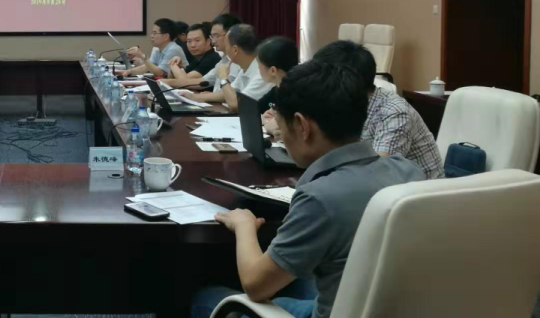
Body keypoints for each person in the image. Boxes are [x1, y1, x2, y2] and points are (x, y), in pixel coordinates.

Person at [190, 61, 424, 318]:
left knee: (205, 298)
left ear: (301, 126)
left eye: (280, 124)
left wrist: (244, 225)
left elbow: (255, 286)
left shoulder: (319, 198)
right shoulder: (408, 170)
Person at [313, 41, 444, 179]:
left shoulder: (394, 112)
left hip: (422, 190)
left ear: (345, 82)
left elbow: (378, 174)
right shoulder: (344, 104)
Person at [179, 24, 272, 112]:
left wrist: (223, 79)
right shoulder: (246, 67)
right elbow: (229, 94)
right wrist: (195, 97)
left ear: (235, 50)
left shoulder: (262, 72)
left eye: (227, 46)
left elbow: (236, 104)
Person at [253, 36, 299, 139]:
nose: (258, 68)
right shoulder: (278, 88)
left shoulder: (295, 94)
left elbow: (281, 127)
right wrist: (267, 120)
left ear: (273, 70)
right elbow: (256, 111)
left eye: (259, 64)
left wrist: (268, 123)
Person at [120, 18, 188, 77]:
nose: (152, 36)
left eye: (155, 33)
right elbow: (147, 67)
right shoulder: (158, 49)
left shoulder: (173, 49)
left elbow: (160, 73)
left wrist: (142, 56)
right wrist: (129, 71)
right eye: (152, 33)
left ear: (166, 36)